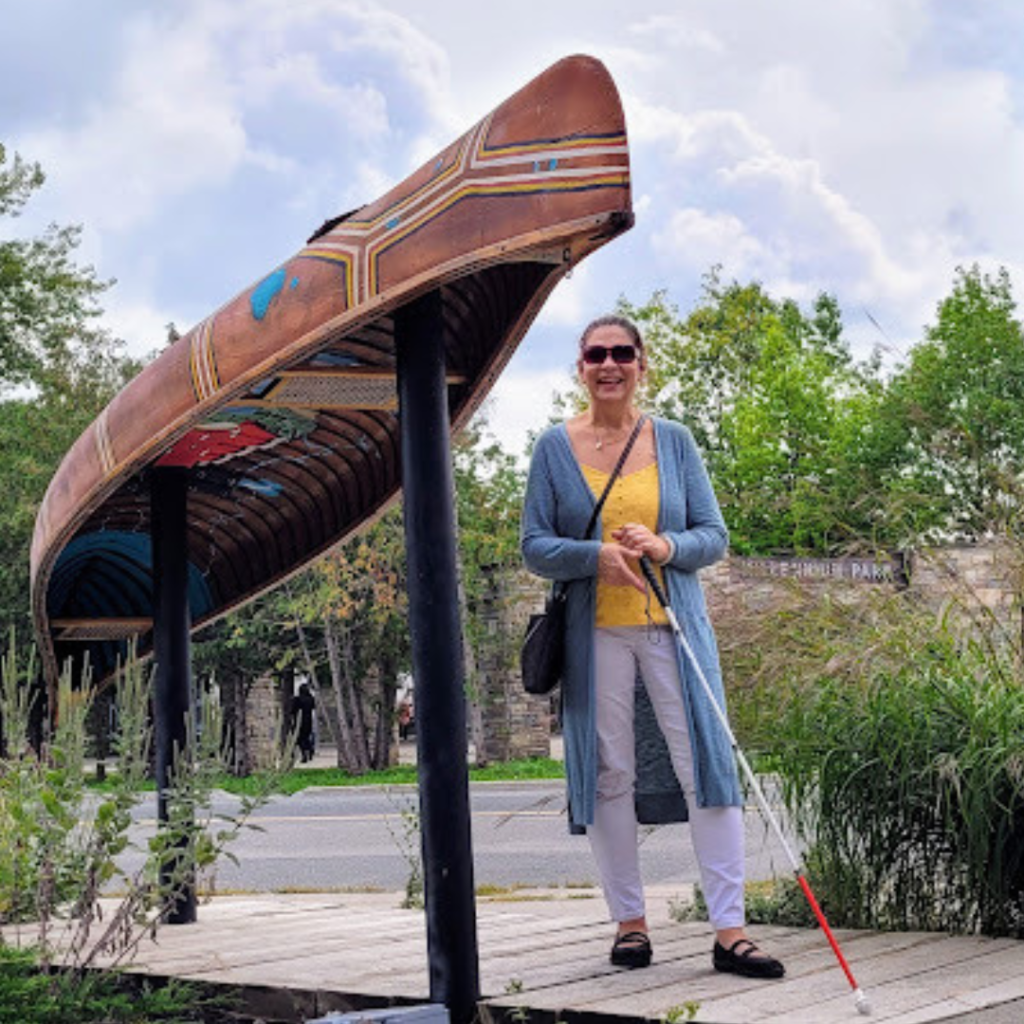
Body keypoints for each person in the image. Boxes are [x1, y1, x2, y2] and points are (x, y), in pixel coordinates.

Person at [520, 314, 784, 979]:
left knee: (708, 768)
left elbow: (713, 536)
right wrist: (593, 557)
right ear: (579, 367)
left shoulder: (675, 442)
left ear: (643, 363)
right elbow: (535, 547)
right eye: (595, 355)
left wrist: (666, 547)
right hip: (595, 634)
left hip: (673, 627)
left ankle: (730, 932)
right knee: (610, 772)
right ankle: (630, 924)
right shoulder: (555, 447)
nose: (609, 365)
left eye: (622, 353)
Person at [291, 682, 316, 763]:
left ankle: (304, 754)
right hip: (309, 720)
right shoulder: (311, 698)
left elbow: (293, 711)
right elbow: (313, 707)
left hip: (299, 720)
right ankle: (310, 749)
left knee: (299, 739)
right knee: (306, 737)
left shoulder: (298, 699)